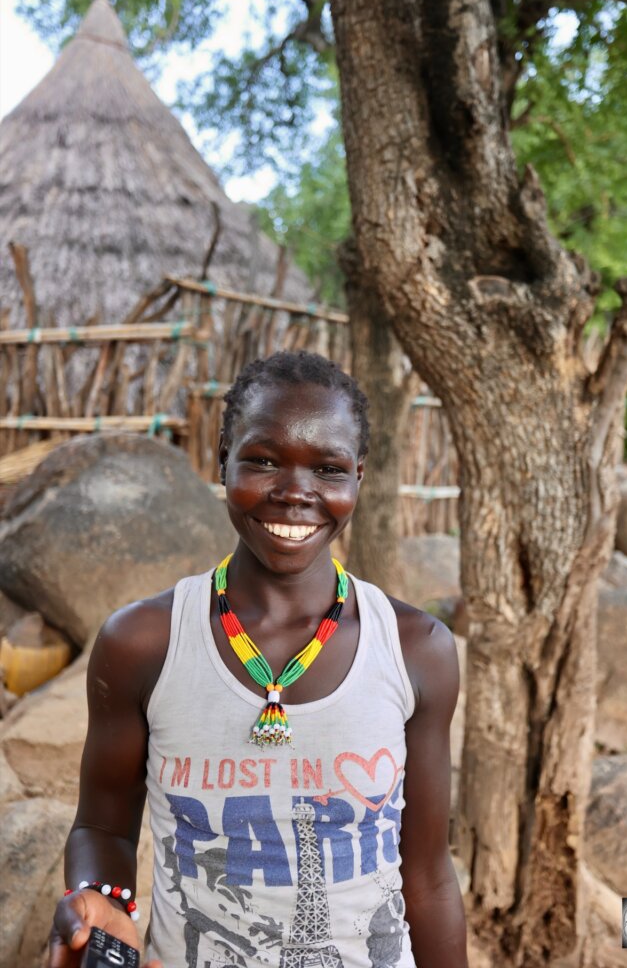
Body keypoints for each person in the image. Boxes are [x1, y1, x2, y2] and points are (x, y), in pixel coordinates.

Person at [49, 351, 467, 968]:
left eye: (328, 468)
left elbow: (427, 875)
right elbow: (104, 828)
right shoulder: (143, 642)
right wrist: (98, 898)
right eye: (264, 461)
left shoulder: (415, 648)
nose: (296, 492)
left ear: (359, 476)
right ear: (222, 459)